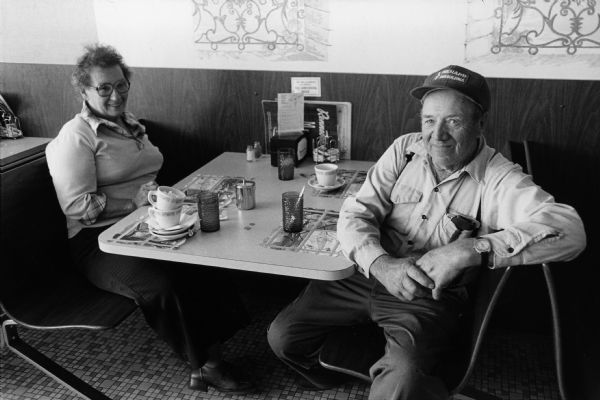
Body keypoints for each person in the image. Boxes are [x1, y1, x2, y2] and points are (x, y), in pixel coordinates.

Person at [267, 65, 586, 399]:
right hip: (366, 273)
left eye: (454, 121)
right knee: (283, 338)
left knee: (401, 384)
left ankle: (414, 383)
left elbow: (570, 231)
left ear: (480, 124)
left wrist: (470, 250)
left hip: (424, 298)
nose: (437, 134)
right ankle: (328, 378)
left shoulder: (499, 177)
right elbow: (356, 211)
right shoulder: (405, 150)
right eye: (429, 120)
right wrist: (379, 264)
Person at [46, 43, 254, 393]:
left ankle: (216, 345)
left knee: (205, 257)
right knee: (163, 284)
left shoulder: (129, 124)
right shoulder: (76, 136)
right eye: (104, 88)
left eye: (121, 85)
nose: (116, 95)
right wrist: (133, 203)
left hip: (146, 224)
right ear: (84, 90)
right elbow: (77, 207)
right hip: (97, 242)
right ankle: (204, 365)